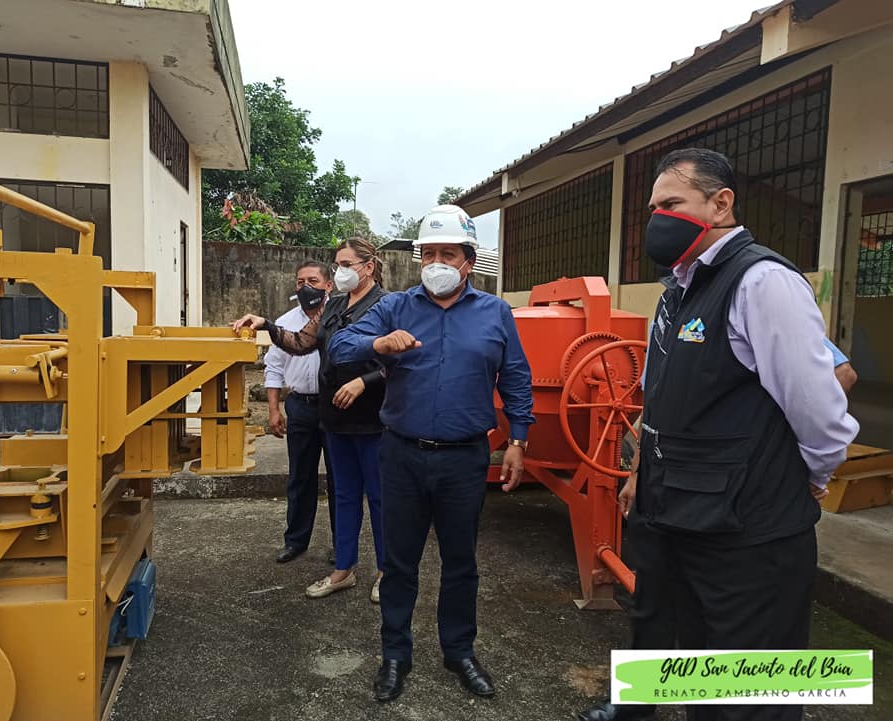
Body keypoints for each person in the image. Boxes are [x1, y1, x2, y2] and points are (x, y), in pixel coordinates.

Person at [578, 149, 858, 721]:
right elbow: (663, 400)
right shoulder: (678, 290)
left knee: (749, 685)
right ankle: (638, 703)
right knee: (686, 650)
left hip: (746, 525)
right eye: (653, 208)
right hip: (679, 507)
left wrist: (812, 475)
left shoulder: (763, 282)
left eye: (671, 203)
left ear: (721, 203)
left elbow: (819, 405)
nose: (657, 219)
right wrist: (639, 473)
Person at [579, 339, 860, 721]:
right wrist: (636, 475)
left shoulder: (753, 307)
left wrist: (798, 459)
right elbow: (656, 406)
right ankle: (634, 701)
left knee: (733, 642)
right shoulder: (673, 314)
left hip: (723, 500)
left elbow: (841, 375)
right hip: (663, 489)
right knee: (652, 603)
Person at [326, 204, 535, 703]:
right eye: (429, 253)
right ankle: (395, 655)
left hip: (465, 459)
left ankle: (459, 651)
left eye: (448, 254)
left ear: (469, 261)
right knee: (400, 563)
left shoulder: (495, 313)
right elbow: (339, 347)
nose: (437, 262)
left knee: (461, 561)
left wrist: (518, 440)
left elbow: (516, 377)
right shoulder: (396, 307)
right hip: (402, 455)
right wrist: (378, 342)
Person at [233, 238, 388, 602]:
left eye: (347, 264)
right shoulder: (333, 306)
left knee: (381, 497)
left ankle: (388, 571)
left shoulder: (387, 305)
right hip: (334, 417)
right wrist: (266, 324)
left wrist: (363, 382)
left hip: (372, 419)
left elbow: (400, 360)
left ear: (369, 267)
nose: (341, 271)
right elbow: (302, 342)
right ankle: (343, 569)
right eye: (338, 264)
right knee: (344, 495)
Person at [261, 260, 336, 565]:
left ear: (328, 285)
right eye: (301, 281)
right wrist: (274, 409)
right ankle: (295, 541)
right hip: (300, 407)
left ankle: (341, 545)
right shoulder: (285, 322)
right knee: (300, 478)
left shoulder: (339, 317)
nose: (306, 287)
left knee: (339, 479)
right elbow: (273, 368)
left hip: (335, 408)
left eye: (313, 281)